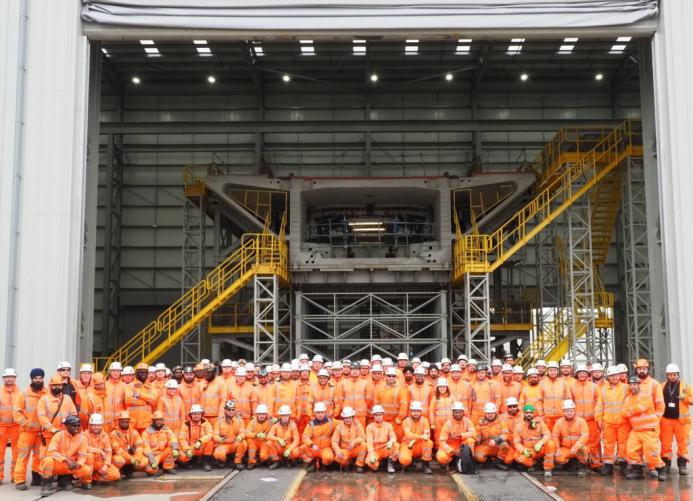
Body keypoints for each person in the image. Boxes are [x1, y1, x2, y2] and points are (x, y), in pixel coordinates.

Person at [622, 376, 666, 481]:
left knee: (651, 453)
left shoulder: (645, 397)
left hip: (649, 430)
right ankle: (638, 472)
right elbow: (624, 413)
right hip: (636, 431)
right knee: (631, 451)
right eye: (631, 384)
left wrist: (631, 411)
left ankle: (661, 469)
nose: (633, 386)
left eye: (635, 384)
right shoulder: (628, 399)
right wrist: (631, 411)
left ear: (639, 385)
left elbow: (640, 408)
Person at [39, 415, 92, 497]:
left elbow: (83, 455)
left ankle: (66, 479)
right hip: (58, 464)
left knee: (87, 470)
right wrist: (66, 460)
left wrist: (78, 464)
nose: (76, 427)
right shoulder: (59, 435)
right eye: (74, 425)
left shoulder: (82, 438)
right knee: (48, 460)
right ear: (67, 426)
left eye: (78, 425)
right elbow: (51, 451)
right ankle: (46, 486)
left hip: (71, 466)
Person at [13, 368, 47, 489]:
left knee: (39, 456)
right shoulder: (23, 394)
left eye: (40, 378)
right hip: (26, 432)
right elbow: (17, 413)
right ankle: (19, 480)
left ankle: (37, 478)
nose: (38, 380)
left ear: (43, 379)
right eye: (36, 378)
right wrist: (27, 424)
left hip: (40, 433)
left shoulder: (46, 393)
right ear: (31, 379)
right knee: (23, 456)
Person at [595, 365, 629, 476]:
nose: (614, 377)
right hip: (608, 423)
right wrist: (599, 419)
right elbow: (600, 406)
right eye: (611, 376)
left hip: (623, 422)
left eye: (615, 375)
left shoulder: (625, 388)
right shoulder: (604, 390)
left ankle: (623, 464)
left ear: (619, 376)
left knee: (623, 444)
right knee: (608, 444)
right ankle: (608, 465)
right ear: (608, 377)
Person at [659, 363, 692, 475]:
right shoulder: (662, 386)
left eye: (674, 375)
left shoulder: (685, 386)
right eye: (670, 375)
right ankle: (666, 465)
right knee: (665, 444)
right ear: (667, 375)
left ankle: (682, 465)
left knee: (682, 444)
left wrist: (685, 398)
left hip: (681, 422)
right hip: (666, 420)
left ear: (678, 375)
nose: (672, 377)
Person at [37, 374, 78, 458]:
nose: (57, 387)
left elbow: (74, 414)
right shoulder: (44, 400)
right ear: (50, 386)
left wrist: (69, 425)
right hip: (49, 435)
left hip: (65, 434)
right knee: (48, 458)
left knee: (64, 457)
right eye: (54, 385)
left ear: (62, 385)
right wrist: (52, 429)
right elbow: (42, 417)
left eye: (59, 385)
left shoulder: (67, 399)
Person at [513, 404, 555, 478]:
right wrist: (523, 450)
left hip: (539, 448)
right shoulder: (519, 426)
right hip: (528, 450)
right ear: (524, 413)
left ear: (533, 413)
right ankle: (533, 463)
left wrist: (540, 443)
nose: (529, 414)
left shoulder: (540, 423)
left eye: (531, 412)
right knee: (519, 458)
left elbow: (547, 434)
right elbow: (516, 442)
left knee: (550, 444)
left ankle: (548, 469)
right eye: (527, 412)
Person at [552, 400, 589, 477]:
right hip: (567, 448)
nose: (569, 412)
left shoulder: (581, 421)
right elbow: (555, 436)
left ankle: (582, 466)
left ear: (574, 411)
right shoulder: (559, 422)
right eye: (567, 411)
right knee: (557, 457)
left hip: (578, 449)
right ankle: (571, 462)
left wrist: (575, 448)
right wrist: (557, 449)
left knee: (584, 449)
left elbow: (585, 436)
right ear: (563, 412)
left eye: (571, 411)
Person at [435, 402, 475, 470]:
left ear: (463, 412)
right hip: (451, 446)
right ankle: (451, 461)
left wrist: (461, 435)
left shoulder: (467, 421)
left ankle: (469, 460)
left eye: (460, 412)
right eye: (456, 412)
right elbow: (442, 441)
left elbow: (473, 433)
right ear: (453, 413)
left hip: (462, 446)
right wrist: (452, 451)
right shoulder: (448, 424)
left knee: (471, 441)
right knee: (441, 457)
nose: (458, 414)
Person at [474, 402, 513, 470]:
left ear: (495, 413)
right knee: (478, 456)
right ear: (485, 414)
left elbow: (507, 435)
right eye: (488, 413)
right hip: (486, 445)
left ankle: (498, 462)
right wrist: (477, 439)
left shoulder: (501, 423)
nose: (490, 415)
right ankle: (488, 460)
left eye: (492, 413)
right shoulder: (480, 423)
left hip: (498, 446)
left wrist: (497, 440)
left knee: (508, 457)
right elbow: (476, 436)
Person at [84, 413, 120, 485]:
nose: (96, 427)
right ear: (90, 425)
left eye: (98, 425)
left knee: (116, 475)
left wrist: (106, 465)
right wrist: (99, 450)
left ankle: (94, 477)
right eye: (94, 425)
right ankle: (86, 480)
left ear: (101, 426)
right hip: (88, 462)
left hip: (100, 462)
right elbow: (84, 448)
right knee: (89, 455)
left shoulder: (105, 436)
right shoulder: (85, 435)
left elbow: (108, 452)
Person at [212, 400, 247, 470]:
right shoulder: (219, 421)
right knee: (218, 454)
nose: (231, 411)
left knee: (243, 443)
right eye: (228, 409)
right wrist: (219, 439)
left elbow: (243, 433)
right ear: (225, 410)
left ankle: (237, 462)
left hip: (235, 443)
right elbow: (215, 435)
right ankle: (224, 462)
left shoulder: (240, 420)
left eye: (233, 409)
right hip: (223, 444)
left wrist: (240, 437)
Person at [399, 401, 433, 474]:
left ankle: (426, 464)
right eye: (414, 411)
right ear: (411, 411)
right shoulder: (405, 421)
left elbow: (427, 436)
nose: (416, 413)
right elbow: (408, 435)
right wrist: (421, 436)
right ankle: (409, 462)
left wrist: (422, 437)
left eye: (418, 411)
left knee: (428, 443)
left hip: (420, 445)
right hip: (407, 444)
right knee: (405, 460)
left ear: (420, 412)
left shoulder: (425, 421)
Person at [141, 410, 179, 476]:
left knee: (174, 448)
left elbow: (173, 438)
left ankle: (167, 467)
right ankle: (147, 468)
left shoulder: (166, 429)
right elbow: (146, 448)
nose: (159, 422)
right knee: (151, 470)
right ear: (153, 421)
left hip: (164, 453)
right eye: (157, 420)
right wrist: (152, 461)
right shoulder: (146, 432)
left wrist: (175, 448)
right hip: (153, 456)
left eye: (161, 420)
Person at [301, 402, 336, 472]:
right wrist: (311, 445)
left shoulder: (331, 422)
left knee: (328, 458)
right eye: (318, 412)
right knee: (303, 448)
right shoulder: (311, 424)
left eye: (322, 412)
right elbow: (305, 437)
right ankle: (312, 463)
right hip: (314, 448)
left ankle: (323, 465)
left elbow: (344, 424)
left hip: (325, 448)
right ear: (315, 413)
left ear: (325, 412)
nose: (320, 414)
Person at [110, 411, 146, 477]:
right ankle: (118, 472)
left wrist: (137, 458)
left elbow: (140, 446)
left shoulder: (134, 432)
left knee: (144, 461)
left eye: (126, 422)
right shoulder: (113, 434)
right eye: (122, 422)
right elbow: (117, 450)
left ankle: (131, 470)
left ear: (129, 422)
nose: (124, 424)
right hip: (121, 457)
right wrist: (131, 459)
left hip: (132, 458)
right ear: (119, 422)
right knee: (119, 460)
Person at [178, 404, 214, 471]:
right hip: (191, 448)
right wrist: (187, 449)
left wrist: (200, 441)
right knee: (182, 457)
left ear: (201, 414)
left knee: (210, 442)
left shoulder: (206, 423)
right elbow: (182, 439)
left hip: (201, 446)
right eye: (194, 414)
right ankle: (189, 461)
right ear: (191, 415)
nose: (196, 416)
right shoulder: (185, 425)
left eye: (198, 414)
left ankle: (206, 462)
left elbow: (210, 434)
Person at [125, 363, 158, 434]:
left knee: (145, 443)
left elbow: (154, 400)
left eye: (145, 372)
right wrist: (145, 402)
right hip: (133, 422)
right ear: (136, 373)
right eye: (141, 372)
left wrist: (139, 395)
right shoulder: (130, 386)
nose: (143, 374)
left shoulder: (151, 387)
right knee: (133, 444)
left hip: (146, 422)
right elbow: (128, 400)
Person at [331, 406, 367, 472]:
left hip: (355, 448)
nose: (348, 420)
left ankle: (359, 465)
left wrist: (354, 442)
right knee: (338, 457)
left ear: (353, 417)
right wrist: (337, 450)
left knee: (364, 446)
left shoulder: (358, 425)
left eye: (349, 417)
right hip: (345, 450)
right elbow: (334, 441)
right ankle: (347, 464)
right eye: (346, 418)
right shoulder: (339, 427)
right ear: (343, 418)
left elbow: (363, 437)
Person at [0, 368, 20, 485]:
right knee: (0, 452)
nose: (9, 378)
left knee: (17, 452)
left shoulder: (20, 393)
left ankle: (15, 476)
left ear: (15, 378)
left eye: (11, 376)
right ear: (3, 378)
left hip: (16, 426)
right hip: (2, 426)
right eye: (7, 377)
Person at [365, 405, 398, 473]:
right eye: (376, 415)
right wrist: (371, 454)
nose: (378, 417)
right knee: (371, 463)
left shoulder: (388, 425)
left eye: (380, 414)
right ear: (373, 416)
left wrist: (391, 441)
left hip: (385, 448)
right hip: (375, 449)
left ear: (383, 415)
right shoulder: (369, 427)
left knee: (396, 445)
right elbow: (369, 442)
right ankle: (377, 465)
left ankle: (391, 464)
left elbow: (393, 436)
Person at [268, 405, 300, 469]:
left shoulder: (293, 425)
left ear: (289, 416)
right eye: (283, 415)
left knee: (296, 452)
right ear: (280, 416)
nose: (285, 417)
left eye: (286, 415)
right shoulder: (276, 425)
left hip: (288, 445)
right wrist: (278, 439)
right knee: (269, 443)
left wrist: (289, 450)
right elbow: (269, 435)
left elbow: (297, 440)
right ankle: (276, 461)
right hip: (279, 445)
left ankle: (289, 460)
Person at [245, 403, 273, 469]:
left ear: (266, 414)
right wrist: (256, 435)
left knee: (263, 455)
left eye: (263, 414)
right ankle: (252, 462)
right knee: (249, 440)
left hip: (265, 442)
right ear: (257, 414)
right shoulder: (252, 422)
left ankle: (268, 459)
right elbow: (247, 433)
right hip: (256, 441)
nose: (262, 416)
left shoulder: (271, 422)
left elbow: (274, 433)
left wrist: (266, 436)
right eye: (260, 414)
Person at [429, 378, 454, 442]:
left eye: (443, 387)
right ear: (437, 388)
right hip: (439, 424)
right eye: (440, 387)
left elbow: (455, 410)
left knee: (450, 439)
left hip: (450, 423)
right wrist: (432, 424)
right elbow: (431, 412)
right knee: (439, 440)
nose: (442, 388)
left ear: (447, 387)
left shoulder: (451, 397)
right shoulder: (435, 398)